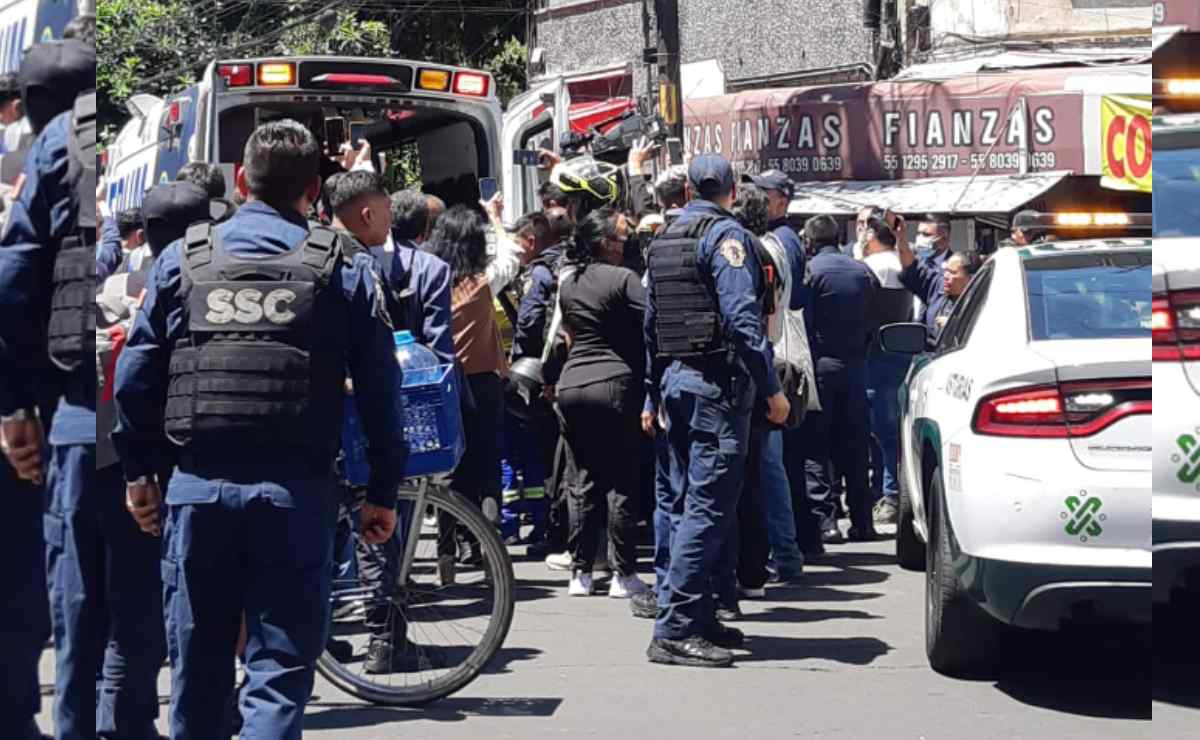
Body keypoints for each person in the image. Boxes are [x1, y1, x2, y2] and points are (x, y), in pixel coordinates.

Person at [112, 119, 406, 740]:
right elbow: (381, 390)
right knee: (276, 678)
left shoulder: (183, 260)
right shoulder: (341, 268)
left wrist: (139, 473)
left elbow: (135, 376)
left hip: (196, 493)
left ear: (241, 180)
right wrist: (382, 489)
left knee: (198, 675)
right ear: (315, 188)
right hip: (293, 498)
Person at [643, 154, 789, 667]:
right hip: (714, 388)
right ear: (730, 187)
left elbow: (651, 324)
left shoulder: (663, 239)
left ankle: (698, 615)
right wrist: (772, 389)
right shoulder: (727, 240)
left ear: (687, 187)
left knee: (685, 507)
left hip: (674, 386)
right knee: (707, 510)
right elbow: (744, 320)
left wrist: (650, 392)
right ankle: (676, 628)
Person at [555, 208, 650, 599]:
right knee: (622, 479)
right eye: (622, 240)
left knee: (582, 480)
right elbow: (651, 323)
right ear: (605, 243)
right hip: (614, 383)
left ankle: (580, 571)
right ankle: (623, 574)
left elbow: (569, 335)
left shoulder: (568, 282)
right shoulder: (624, 279)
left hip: (571, 385)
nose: (626, 246)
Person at [426, 197, 524, 571]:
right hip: (483, 382)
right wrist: (497, 219)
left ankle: (448, 549)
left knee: (452, 468)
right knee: (486, 467)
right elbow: (511, 256)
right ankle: (488, 548)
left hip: (444, 382)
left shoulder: (429, 280)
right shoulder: (483, 281)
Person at [731, 183, 805, 591]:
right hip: (767, 359)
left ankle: (783, 556)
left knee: (764, 469)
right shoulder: (774, 247)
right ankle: (782, 555)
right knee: (766, 467)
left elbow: (760, 318)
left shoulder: (755, 252)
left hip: (758, 365)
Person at [799, 213, 880, 550]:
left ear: (810, 241)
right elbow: (877, 318)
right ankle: (863, 521)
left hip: (821, 365)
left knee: (817, 444)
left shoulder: (811, 273)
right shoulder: (863, 271)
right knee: (856, 446)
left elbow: (804, 321)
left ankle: (826, 521)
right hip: (856, 367)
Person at [859, 211, 914, 526]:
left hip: (875, 356)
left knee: (880, 431)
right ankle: (887, 492)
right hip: (901, 354)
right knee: (888, 430)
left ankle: (888, 493)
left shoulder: (870, 269)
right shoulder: (905, 266)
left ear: (871, 238)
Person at [899, 231, 985, 342]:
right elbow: (911, 267)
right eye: (946, 271)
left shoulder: (983, 303)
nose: (946, 276)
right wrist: (900, 236)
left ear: (971, 278)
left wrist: (955, 325)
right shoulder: (938, 286)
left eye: (953, 272)